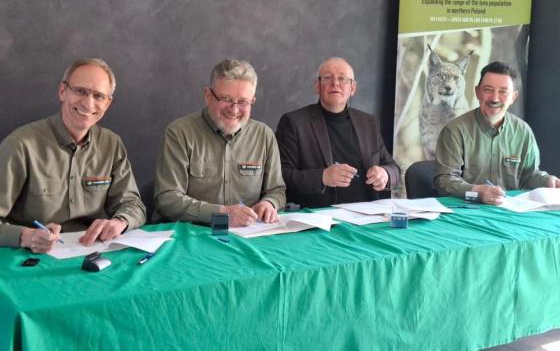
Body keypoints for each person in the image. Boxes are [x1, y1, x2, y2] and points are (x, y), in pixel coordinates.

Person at [0, 58, 147, 253]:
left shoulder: (112, 144)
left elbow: (133, 205)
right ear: (62, 91)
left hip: (93, 250)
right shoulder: (21, 145)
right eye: (80, 91)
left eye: (98, 96)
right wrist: (25, 236)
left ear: (107, 103)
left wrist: (119, 222)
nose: (88, 103)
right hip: (31, 257)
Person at [153, 59, 286, 227]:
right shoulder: (179, 133)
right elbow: (167, 199)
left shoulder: (264, 135)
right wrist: (222, 213)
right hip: (194, 232)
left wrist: (269, 203)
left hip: (249, 232)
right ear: (207, 96)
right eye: (225, 98)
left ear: (252, 101)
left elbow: (276, 190)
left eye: (243, 102)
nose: (234, 109)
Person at [275, 57, 400, 208]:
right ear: (317, 86)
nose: (335, 83)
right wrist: (322, 177)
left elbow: (394, 168)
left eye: (342, 78)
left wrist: (385, 174)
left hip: (367, 212)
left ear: (352, 88)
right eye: (327, 77)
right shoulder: (294, 122)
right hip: (320, 214)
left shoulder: (368, 123)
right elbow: (281, 176)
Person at [434, 61, 560, 204]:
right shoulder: (454, 131)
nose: (494, 98)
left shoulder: (523, 131)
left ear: (513, 97)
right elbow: (444, 181)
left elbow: (528, 176)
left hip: (510, 210)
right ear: (477, 92)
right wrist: (477, 192)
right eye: (488, 90)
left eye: (503, 92)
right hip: (467, 210)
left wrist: (547, 180)